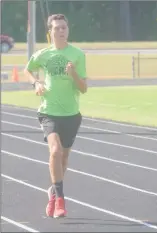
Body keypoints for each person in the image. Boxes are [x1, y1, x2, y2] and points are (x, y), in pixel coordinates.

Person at [24, 14, 88, 218]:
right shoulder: (43, 54)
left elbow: (84, 88)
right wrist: (36, 83)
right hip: (48, 111)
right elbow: (28, 70)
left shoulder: (77, 54)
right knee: (55, 151)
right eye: (57, 28)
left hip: (71, 114)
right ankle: (60, 199)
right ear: (50, 32)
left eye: (64, 28)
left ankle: (53, 190)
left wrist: (74, 74)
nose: (61, 31)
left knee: (64, 157)